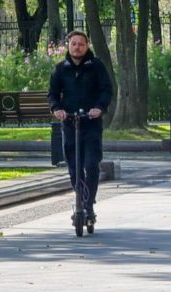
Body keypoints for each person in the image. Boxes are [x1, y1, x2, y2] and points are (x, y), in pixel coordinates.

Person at [48, 30, 113, 223]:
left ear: (87, 46)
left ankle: (88, 203)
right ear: (69, 45)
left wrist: (99, 108)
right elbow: (52, 94)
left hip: (91, 124)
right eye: (74, 44)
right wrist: (56, 109)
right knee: (74, 168)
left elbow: (106, 90)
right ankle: (82, 202)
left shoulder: (97, 67)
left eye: (81, 44)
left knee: (91, 164)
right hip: (70, 124)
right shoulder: (60, 69)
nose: (77, 47)